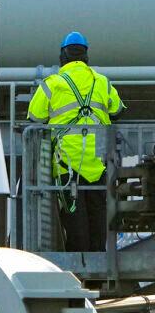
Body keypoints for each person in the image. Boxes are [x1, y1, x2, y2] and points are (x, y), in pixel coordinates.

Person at [27, 32, 124, 251]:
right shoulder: (102, 82)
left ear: (63, 56)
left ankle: (79, 272)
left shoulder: (52, 84)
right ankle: (98, 265)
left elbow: (34, 118)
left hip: (67, 165)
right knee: (98, 216)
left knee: (74, 219)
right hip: (98, 163)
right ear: (86, 56)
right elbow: (117, 110)